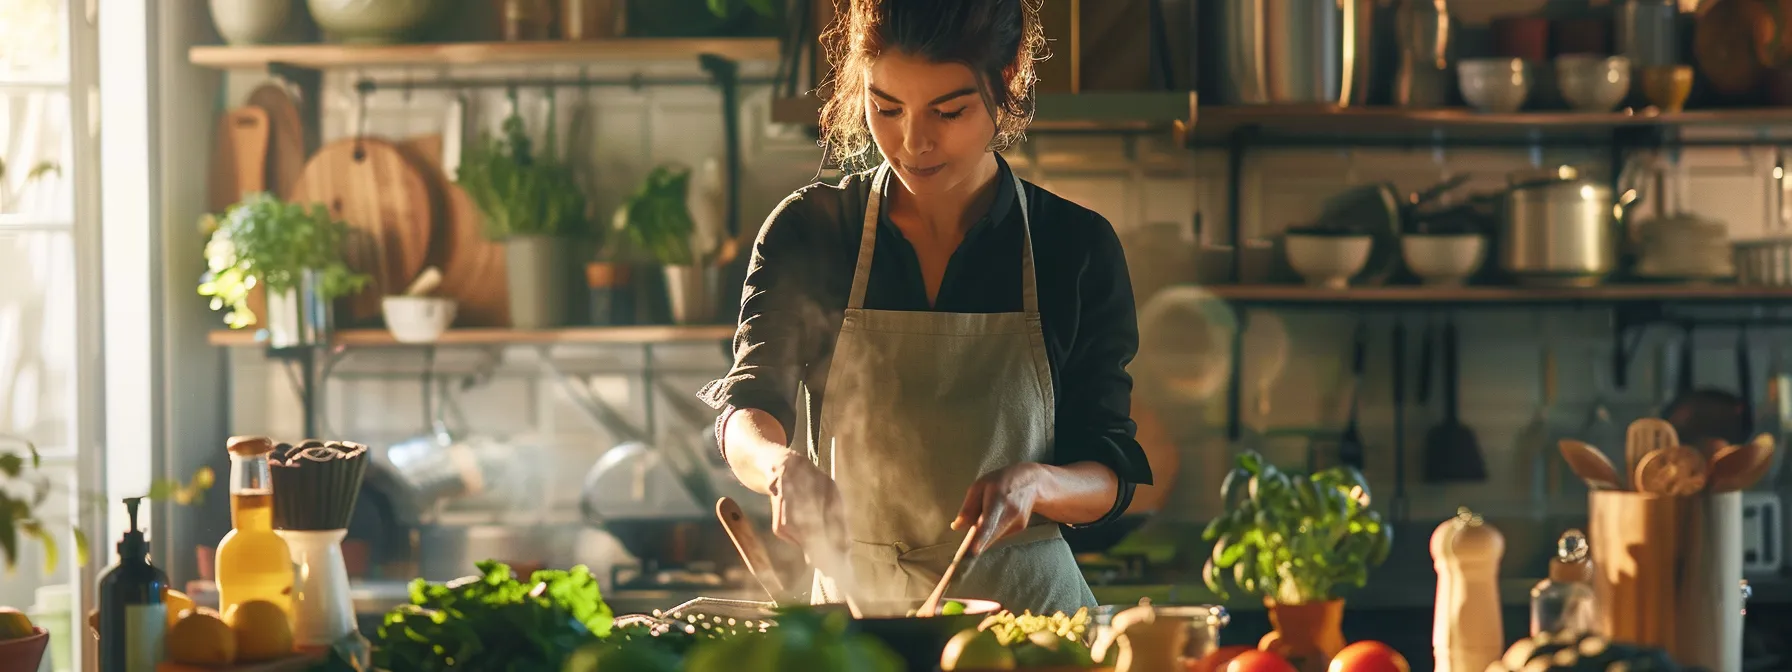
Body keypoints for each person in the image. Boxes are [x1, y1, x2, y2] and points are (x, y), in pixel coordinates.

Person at [698, 0, 1150, 615]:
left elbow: (1108, 467)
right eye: (886, 107)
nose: (913, 142)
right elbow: (751, 401)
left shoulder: (1073, 246)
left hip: (1032, 628)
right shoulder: (812, 231)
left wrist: (1039, 483)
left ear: (1010, 76)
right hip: (860, 626)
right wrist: (780, 467)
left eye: (950, 110)